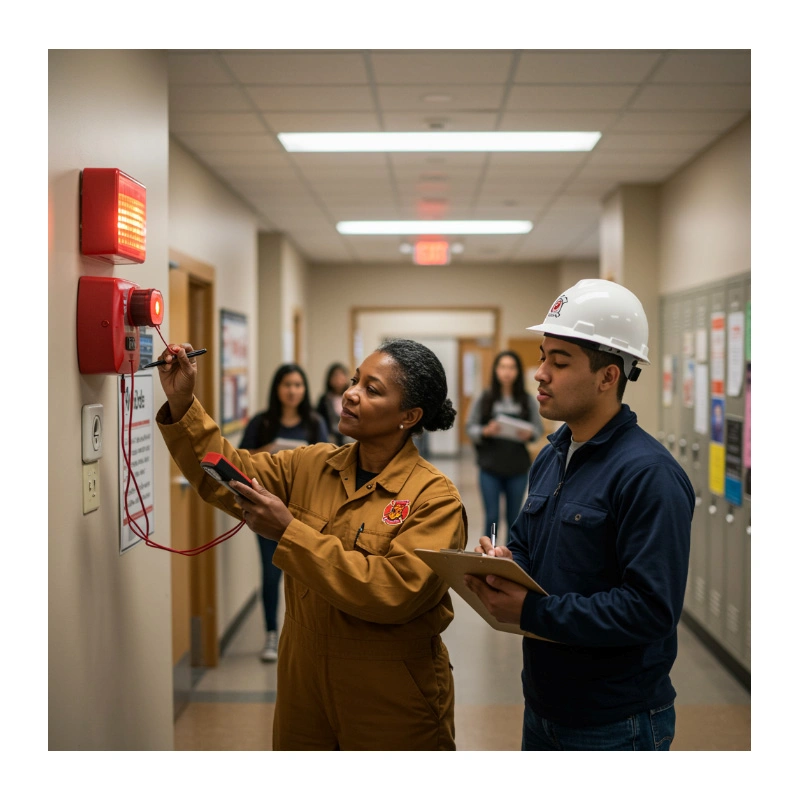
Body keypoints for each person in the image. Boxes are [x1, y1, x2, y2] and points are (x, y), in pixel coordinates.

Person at [155, 338, 467, 750]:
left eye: (372, 390)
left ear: (409, 416)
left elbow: (393, 592)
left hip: (391, 690)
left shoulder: (435, 499)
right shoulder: (310, 465)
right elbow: (228, 471)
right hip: (303, 682)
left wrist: (289, 533)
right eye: (355, 381)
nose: (351, 393)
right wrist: (183, 403)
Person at [465, 279, 694, 751]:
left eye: (560, 361)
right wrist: (507, 563)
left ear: (608, 377)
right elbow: (527, 543)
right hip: (544, 704)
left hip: (616, 721)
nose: (540, 374)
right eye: (543, 357)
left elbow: (650, 610)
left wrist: (532, 611)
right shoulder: (553, 455)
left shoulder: (648, 474)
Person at [239, 363, 329, 662]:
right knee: (270, 574)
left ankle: (307, 633)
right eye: (287, 384)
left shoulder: (315, 423)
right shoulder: (262, 422)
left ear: (305, 390)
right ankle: (270, 634)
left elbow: (329, 463)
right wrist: (266, 449)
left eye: (298, 385)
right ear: (277, 388)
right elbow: (239, 460)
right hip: (266, 510)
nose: (292, 390)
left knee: (307, 573)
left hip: (307, 510)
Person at [466, 350, 543, 543]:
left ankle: (510, 555)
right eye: (502, 367)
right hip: (490, 467)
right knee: (492, 516)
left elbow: (538, 429)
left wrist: (529, 433)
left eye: (511, 367)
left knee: (513, 518)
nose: (507, 372)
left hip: (517, 468)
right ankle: (489, 552)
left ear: (517, 371)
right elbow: (470, 427)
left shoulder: (526, 399)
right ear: (496, 370)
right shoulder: (484, 397)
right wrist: (486, 431)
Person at [315, 362, 353, 445]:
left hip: (349, 437)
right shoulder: (324, 399)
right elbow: (319, 420)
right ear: (329, 379)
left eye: (341, 375)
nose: (338, 379)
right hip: (329, 438)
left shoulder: (351, 397)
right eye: (335, 375)